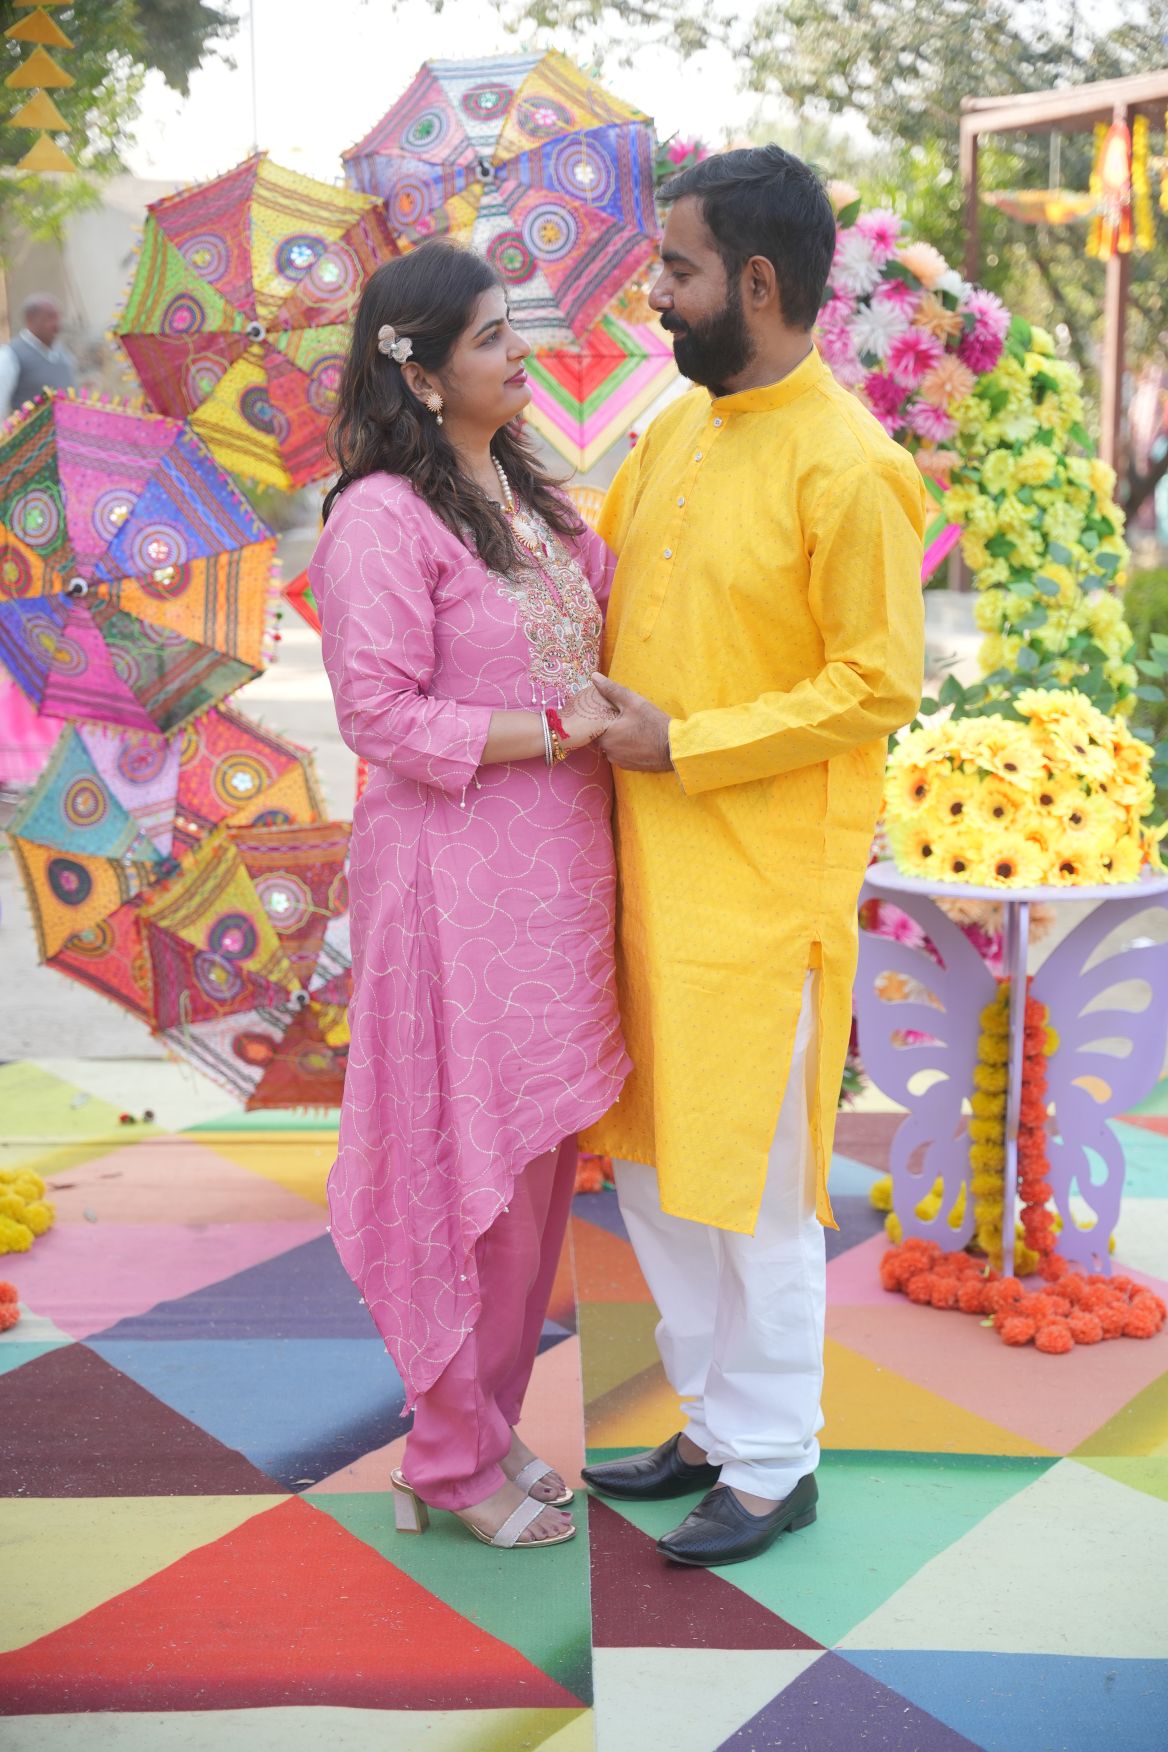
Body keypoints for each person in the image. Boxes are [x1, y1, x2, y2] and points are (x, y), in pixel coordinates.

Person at [579, 146, 927, 1566]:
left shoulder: (853, 466)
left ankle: (777, 1464)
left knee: (758, 1193)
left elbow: (877, 684)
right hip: (641, 882)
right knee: (660, 1179)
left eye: (679, 269)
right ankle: (715, 1423)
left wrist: (689, 744)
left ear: (759, 283)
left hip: (760, 899)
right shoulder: (675, 429)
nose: (657, 295)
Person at [310, 242, 628, 1552]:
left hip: (558, 886)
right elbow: (377, 714)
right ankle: (445, 1456)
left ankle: (480, 1430)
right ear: (423, 373)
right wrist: (550, 728)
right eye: (493, 336)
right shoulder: (380, 519)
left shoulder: (532, 497)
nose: (520, 352)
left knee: (537, 1176)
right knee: (466, 1178)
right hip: (453, 887)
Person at [0, 295, 76, 419]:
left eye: (58, 317)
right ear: (30, 319)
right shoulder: (10, 356)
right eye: (50, 317)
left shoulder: (65, 357)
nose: (57, 324)